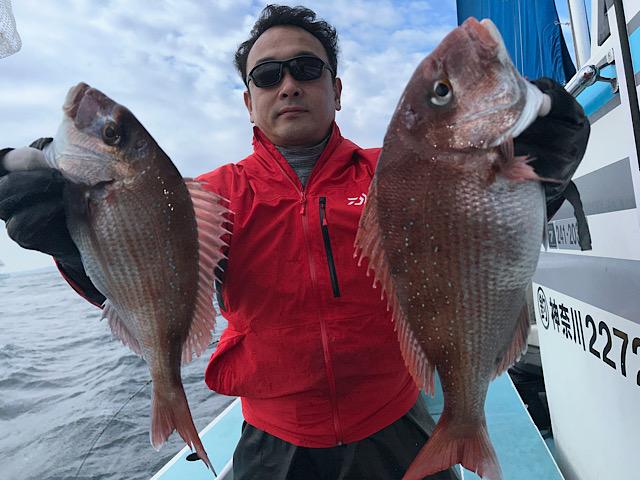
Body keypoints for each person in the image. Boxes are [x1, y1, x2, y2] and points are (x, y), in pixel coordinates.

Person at [0, 5, 589, 479]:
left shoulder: (404, 173)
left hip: (393, 422)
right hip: (273, 441)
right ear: (248, 101)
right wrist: (71, 242)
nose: (288, 85)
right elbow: (148, 281)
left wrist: (548, 154)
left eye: (307, 69)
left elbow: (488, 232)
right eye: (267, 75)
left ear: (337, 89)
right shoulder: (207, 197)